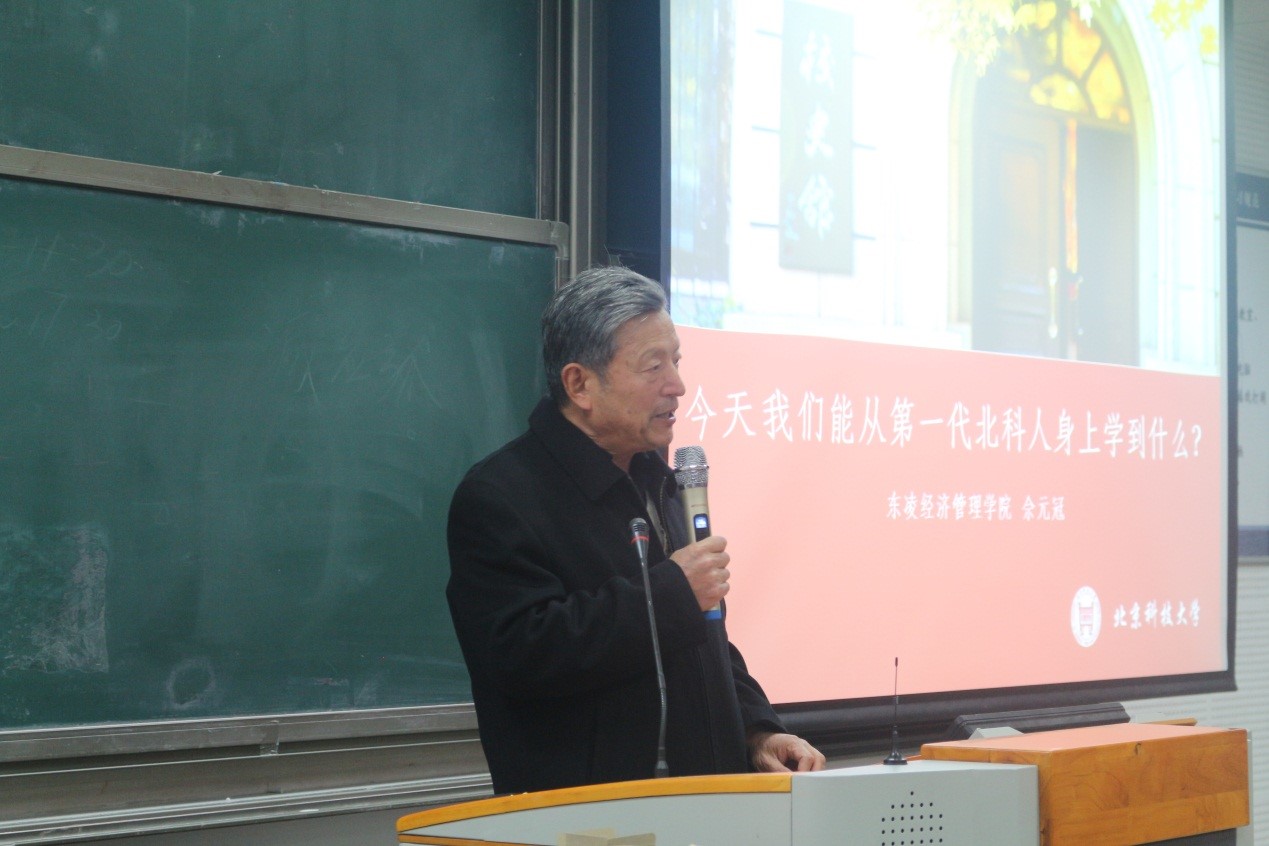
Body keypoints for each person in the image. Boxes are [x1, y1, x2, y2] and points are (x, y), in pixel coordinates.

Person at [446, 265, 825, 795]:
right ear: (580, 384)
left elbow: (702, 640)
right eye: (653, 366)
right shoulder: (501, 495)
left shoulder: (661, 482)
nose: (678, 386)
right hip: (587, 816)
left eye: (676, 360)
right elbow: (522, 656)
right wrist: (672, 592)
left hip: (706, 805)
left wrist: (757, 730)